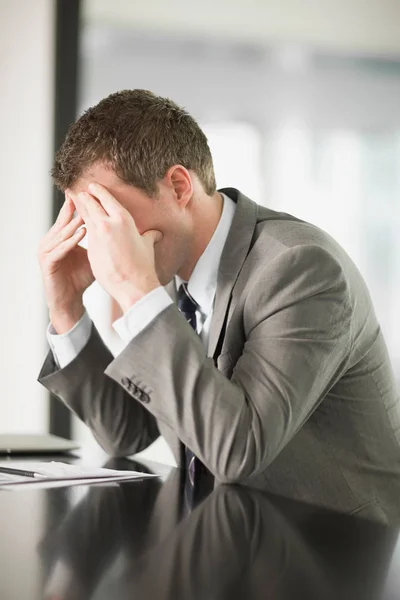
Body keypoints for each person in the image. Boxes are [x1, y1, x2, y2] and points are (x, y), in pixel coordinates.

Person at [38, 89, 400, 524]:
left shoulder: (300, 268)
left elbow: (238, 450)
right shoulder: (171, 272)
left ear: (178, 186)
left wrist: (137, 291)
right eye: (89, 217)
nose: (104, 239)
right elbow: (127, 431)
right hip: (227, 542)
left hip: (330, 554)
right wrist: (66, 308)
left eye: (109, 212)